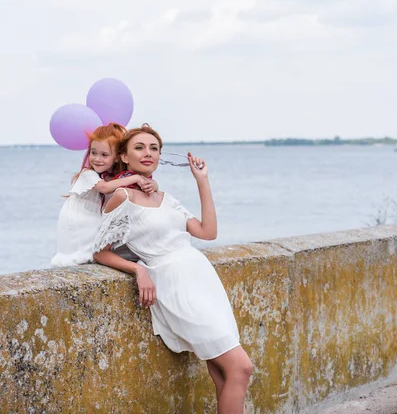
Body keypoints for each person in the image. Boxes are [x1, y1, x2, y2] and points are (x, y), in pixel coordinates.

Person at [93, 124, 253, 414]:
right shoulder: (123, 198)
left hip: (202, 280)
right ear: (124, 158)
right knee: (242, 367)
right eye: (139, 147)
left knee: (222, 373)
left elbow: (207, 232)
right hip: (174, 284)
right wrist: (138, 270)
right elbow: (100, 252)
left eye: (154, 148)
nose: (148, 153)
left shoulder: (166, 198)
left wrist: (201, 180)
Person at [50, 123, 158, 267]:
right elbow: (105, 188)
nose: (97, 159)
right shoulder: (88, 174)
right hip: (78, 221)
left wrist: (154, 185)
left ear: (118, 157)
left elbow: (139, 187)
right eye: (93, 153)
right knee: (81, 252)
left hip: (94, 221)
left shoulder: (115, 177)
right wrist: (136, 178)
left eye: (104, 155)